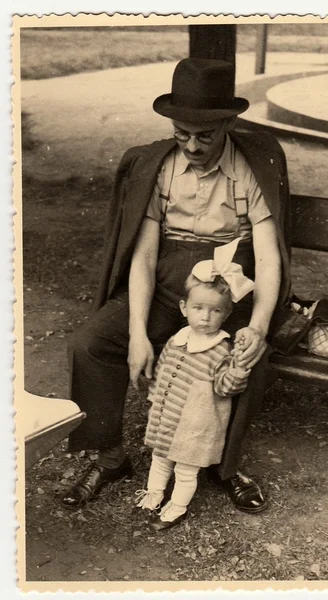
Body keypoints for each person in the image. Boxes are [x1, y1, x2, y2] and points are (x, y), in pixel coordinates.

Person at [62, 57, 291, 513]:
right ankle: (110, 458)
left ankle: (224, 468)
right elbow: (144, 256)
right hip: (169, 282)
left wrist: (259, 327)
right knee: (89, 344)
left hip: (230, 286)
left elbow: (266, 256)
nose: (191, 145)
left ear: (229, 121)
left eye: (205, 135)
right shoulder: (160, 166)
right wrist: (136, 335)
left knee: (247, 357)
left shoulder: (250, 167)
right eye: (180, 133)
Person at [136, 239, 254, 531]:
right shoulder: (178, 340)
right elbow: (162, 373)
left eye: (215, 311)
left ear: (226, 314)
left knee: (186, 471)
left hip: (195, 426)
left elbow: (227, 388)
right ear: (184, 307)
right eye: (198, 308)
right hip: (167, 419)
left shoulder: (221, 348)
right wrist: (154, 398)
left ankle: (177, 507)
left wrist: (239, 365)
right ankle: (154, 494)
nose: (205, 316)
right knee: (160, 459)